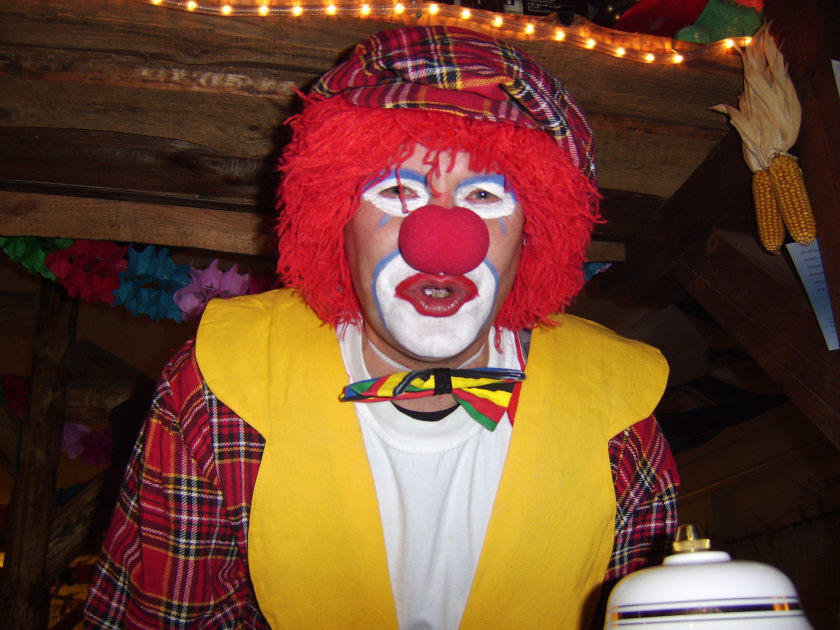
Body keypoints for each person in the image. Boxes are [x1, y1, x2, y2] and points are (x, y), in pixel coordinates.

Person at [84, 25, 679, 630]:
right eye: (398, 190)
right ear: (336, 217)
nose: (440, 242)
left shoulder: (615, 406)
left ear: (533, 234)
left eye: (482, 195)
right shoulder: (228, 382)